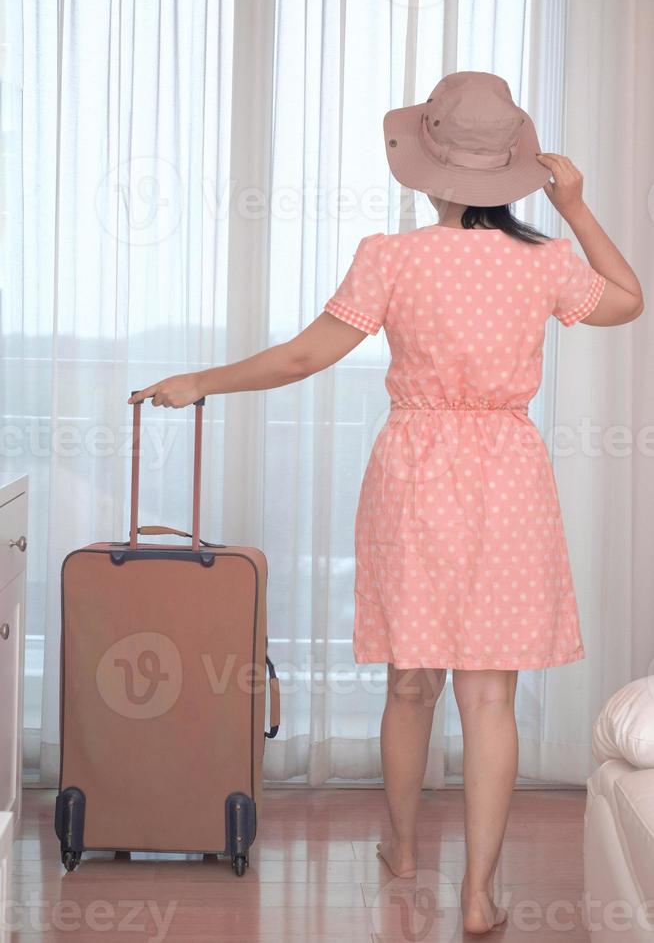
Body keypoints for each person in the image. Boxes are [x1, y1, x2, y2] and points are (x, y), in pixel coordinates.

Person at [129, 71, 643, 935]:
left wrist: (198, 381)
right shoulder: (546, 260)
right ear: (514, 167)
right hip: (510, 469)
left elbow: (301, 358)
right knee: (490, 699)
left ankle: (402, 851)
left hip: (415, 466)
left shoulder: (391, 256)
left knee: (412, 683)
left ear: (430, 167)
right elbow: (629, 301)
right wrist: (578, 207)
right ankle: (479, 895)